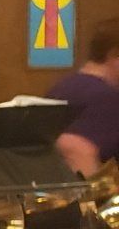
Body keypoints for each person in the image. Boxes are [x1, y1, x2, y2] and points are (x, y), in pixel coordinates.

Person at [48, 18, 119, 176]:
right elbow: (77, 150)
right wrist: (90, 200)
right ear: (114, 55)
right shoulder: (107, 98)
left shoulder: (62, 87)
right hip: (89, 197)